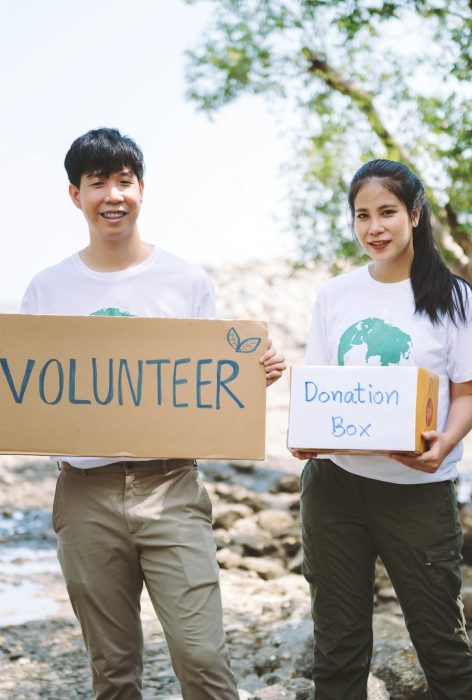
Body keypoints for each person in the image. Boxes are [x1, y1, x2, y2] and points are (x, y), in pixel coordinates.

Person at [21, 127, 286, 700]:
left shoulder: (185, 280)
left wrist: (250, 374)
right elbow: (33, 394)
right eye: (98, 183)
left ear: (142, 189)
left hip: (171, 486)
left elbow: (208, 385)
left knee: (203, 658)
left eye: (125, 181)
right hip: (84, 493)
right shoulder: (48, 289)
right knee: (112, 671)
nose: (113, 195)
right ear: (75, 195)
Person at [292, 159, 472, 699]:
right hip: (333, 488)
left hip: (417, 492)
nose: (374, 227)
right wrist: (308, 436)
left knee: (442, 645)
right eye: (362, 215)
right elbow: (321, 389)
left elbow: (469, 395)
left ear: (416, 216)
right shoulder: (334, 295)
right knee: (337, 647)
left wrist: (444, 444)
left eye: (387, 212)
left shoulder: (455, 299)